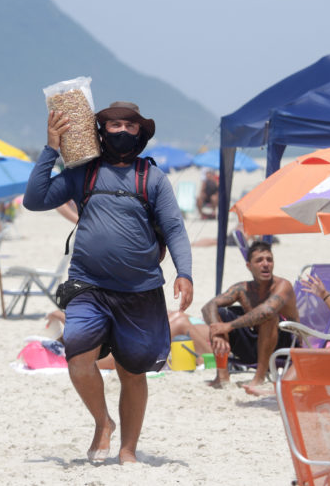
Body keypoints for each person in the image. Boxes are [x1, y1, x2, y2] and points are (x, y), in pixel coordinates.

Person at [23, 101, 193, 464]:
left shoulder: (152, 178)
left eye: (130, 126)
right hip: (89, 286)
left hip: (141, 291)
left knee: (132, 372)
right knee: (77, 358)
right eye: (114, 124)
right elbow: (34, 200)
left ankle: (128, 450)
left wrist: (185, 273)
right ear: (102, 131)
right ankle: (103, 423)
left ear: (141, 133)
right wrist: (52, 147)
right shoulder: (82, 172)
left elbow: (175, 229)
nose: (121, 131)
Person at [171, 241, 297, 391]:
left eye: (269, 259)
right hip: (254, 345)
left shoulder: (283, 286)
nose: (265, 264)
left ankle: (259, 377)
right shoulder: (242, 289)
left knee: (269, 318)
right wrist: (217, 332)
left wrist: (229, 326)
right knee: (220, 314)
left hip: (283, 344)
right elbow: (208, 306)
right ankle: (222, 376)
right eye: (259, 260)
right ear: (249, 266)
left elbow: (267, 311)